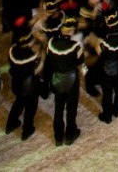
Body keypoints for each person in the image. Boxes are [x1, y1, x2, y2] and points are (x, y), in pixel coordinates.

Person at [45, 15, 83, 146]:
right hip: (71, 79)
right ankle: (70, 134)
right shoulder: (75, 46)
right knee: (71, 108)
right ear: (71, 31)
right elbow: (80, 61)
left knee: (58, 107)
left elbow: (48, 60)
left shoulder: (51, 44)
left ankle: (58, 136)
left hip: (57, 78)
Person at [96, 8, 118, 124]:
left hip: (107, 67)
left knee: (107, 92)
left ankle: (107, 116)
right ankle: (117, 110)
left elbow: (100, 51)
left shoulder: (106, 42)